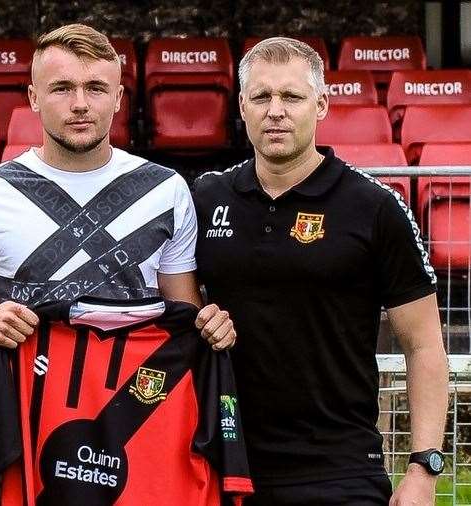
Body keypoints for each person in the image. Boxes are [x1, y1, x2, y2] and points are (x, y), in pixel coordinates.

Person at [192, 37, 448, 505]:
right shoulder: (204, 199)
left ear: (322, 105)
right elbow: (172, 307)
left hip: (339, 471)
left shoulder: (373, 207)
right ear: (242, 107)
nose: (276, 110)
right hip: (221, 461)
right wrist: (201, 318)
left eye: (291, 96)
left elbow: (425, 345)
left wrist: (423, 469)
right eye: (262, 97)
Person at [0, 24, 235, 355]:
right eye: (62, 88)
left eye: (95, 88)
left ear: (118, 98)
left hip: (137, 401)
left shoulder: (165, 190)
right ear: (34, 98)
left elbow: (186, 321)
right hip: (27, 403)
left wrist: (211, 326)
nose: (80, 104)